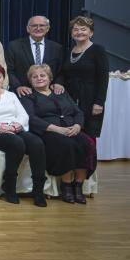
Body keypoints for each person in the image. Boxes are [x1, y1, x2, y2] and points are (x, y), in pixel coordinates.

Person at [0, 63, 47, 207]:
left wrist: (17, 125)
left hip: (14, 128)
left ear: (3, 79)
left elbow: (23, 115)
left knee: (37, 143)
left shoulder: (11, 95)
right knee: (16, 143)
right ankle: (9, 186)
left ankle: (38, 191)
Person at [22, 64, 96, 204]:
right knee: (66, 145)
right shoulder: (28, 96)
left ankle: (78, 186)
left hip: (71, 128)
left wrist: (77, 125)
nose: (39, 78)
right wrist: (57, 129)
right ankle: (66, 186)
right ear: (30, 81)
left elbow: (78, 111)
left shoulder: (60, 92)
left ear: (50, 78)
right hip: (49, 132)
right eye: (35, 77)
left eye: (42, 75)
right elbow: (31, 119)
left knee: (87, 143)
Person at [59, 15, 109, 138]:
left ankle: (90, 158)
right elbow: (63, 73)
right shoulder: (68, 51)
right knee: (71, 131)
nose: (79, 32)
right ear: (71, 33)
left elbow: (103, 78)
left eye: (83, 29)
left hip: (90, 99)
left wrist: (99, 102)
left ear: (90, 33)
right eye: (75, 29)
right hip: (70, 97)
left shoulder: (98, 50)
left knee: (89, 133)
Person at [5, 15, 64, 97]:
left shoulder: (57, 48)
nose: (38, 28)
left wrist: (58, 83)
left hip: (49, 93)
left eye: (42, 25)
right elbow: (9, 70)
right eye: (34, 25)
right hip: (23, 93)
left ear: (47, 28)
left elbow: (61, 70)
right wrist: (18, 86)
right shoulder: (14, 46)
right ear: (28, 28)